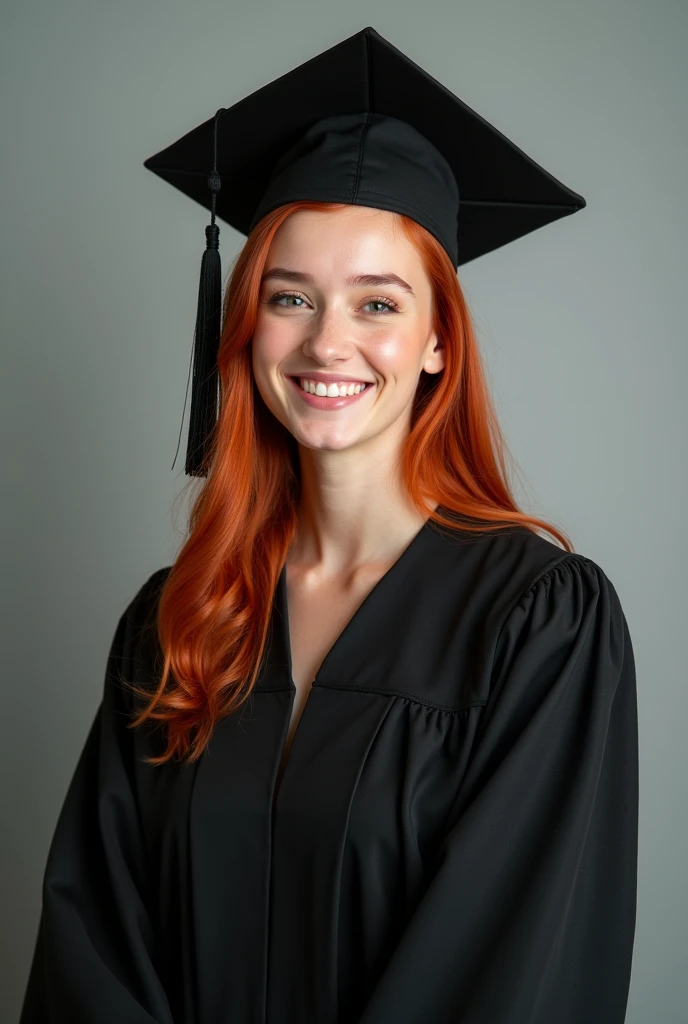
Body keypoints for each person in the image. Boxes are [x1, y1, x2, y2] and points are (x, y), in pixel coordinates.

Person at [19, 25, 638, 1024]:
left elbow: (516, 971)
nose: (327, 342)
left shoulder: (536, 625)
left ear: (439, 339)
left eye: (378, 302)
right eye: (289, 296)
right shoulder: (175, 621)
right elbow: (93, 941)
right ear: (247, 324)